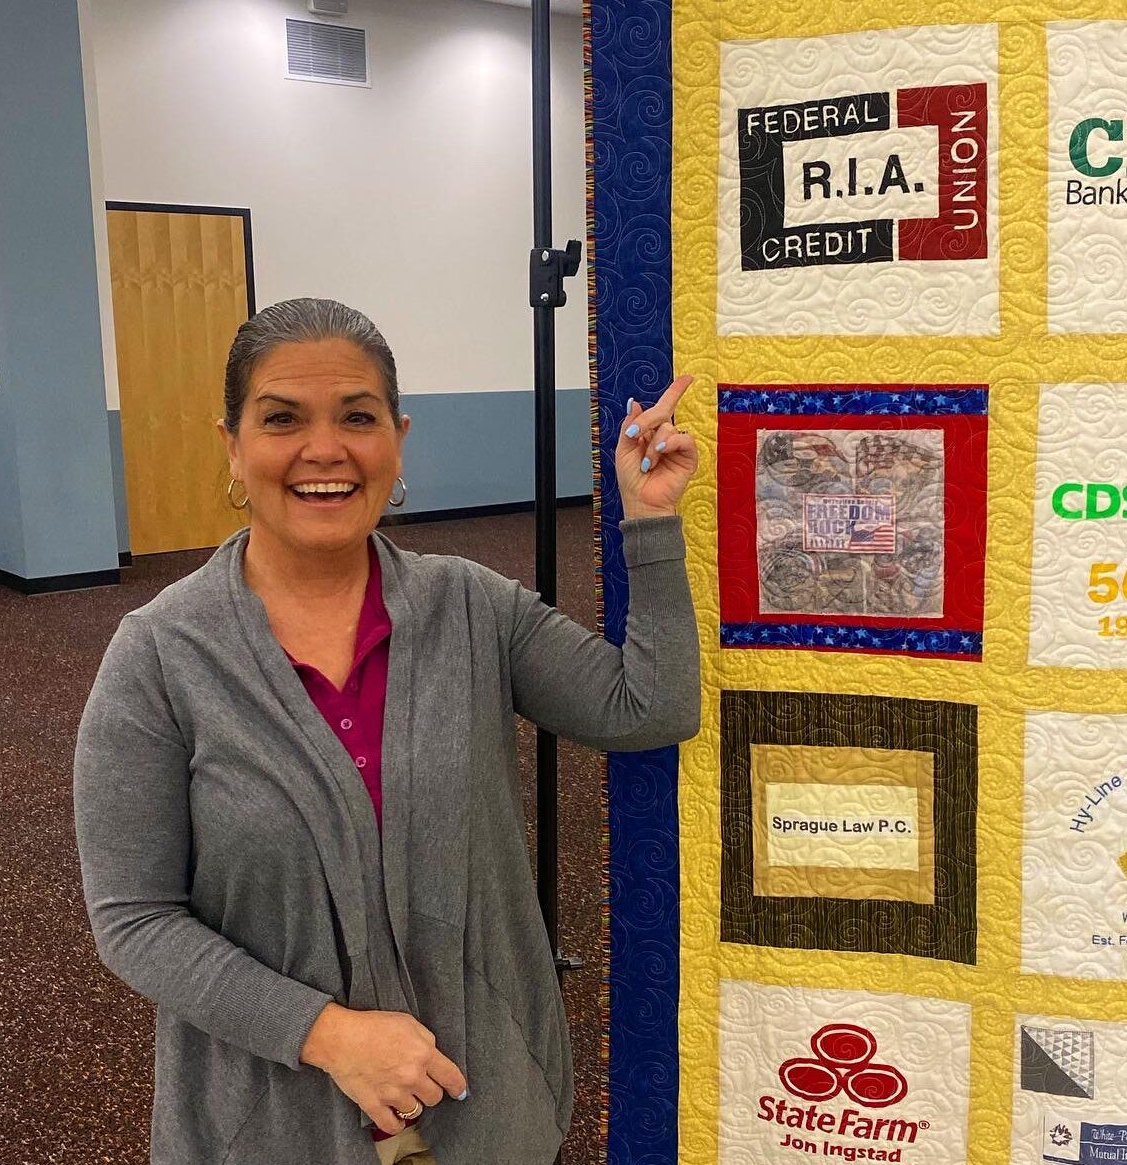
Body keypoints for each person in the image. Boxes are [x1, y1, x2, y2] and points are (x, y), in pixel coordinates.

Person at [72, 298, 700, 1165]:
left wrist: (652, 520)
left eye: (357, 417)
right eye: (282, 419)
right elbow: (136, 920)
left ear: (398, 438)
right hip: (267, 1122)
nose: (324, 450)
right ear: (231, 443)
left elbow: (649, 709)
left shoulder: (474, 608)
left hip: (487, 1105)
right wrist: (326, 1034)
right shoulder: (160, 656)